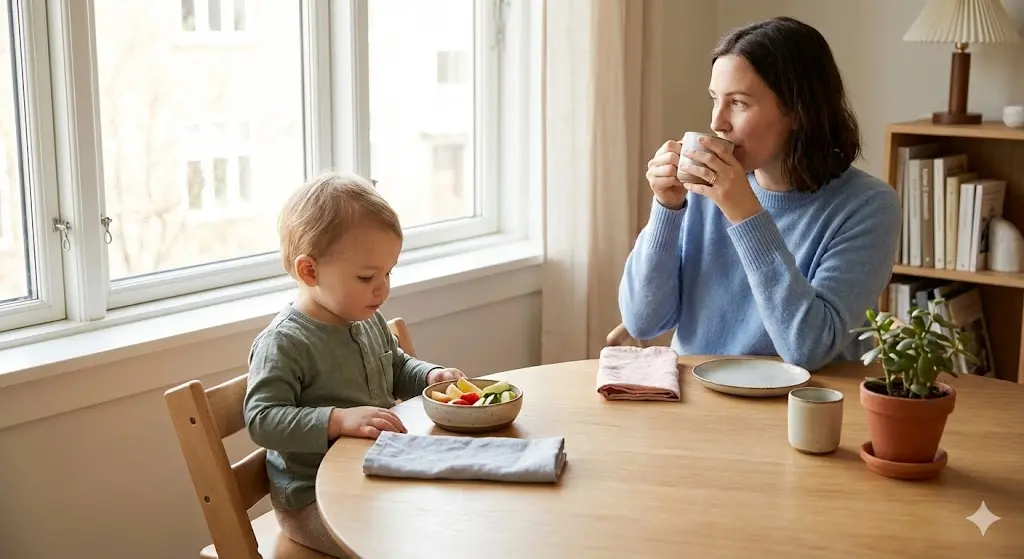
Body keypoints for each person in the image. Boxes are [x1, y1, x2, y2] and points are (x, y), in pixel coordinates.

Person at [618, 16, 900, 372]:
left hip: (799, 409)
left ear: (797, 111)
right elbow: (643, 321)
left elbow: (807, 347)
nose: (717, 121)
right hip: (696, 401)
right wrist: (666, 207)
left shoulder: (868, 206)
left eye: (738, 103)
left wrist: (745, 213)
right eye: (714, 100)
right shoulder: (705, 190)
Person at [243, 172, 466, 557]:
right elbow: (262, 419)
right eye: (366, 277)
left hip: (376, 475)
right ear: (309, 271)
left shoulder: (367, 318)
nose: (382, 288)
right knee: (414, 543)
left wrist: (430, 375)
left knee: (462, 511)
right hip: (314, 499)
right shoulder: (285, 342)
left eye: (388, 272)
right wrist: (338, 420)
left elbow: (394, 367)